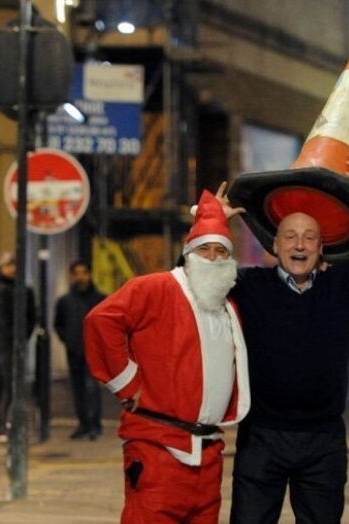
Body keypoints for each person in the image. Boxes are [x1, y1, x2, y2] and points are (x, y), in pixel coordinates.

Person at [222, 162, 349, 523]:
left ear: (321, 246)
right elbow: (190, 276)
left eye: (309, 237)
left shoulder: (343, 285)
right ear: (275, 244)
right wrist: (212, 225)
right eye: (290, 236)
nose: (299, 244)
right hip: (262, 438)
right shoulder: (250, 285)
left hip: (323, 439)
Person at [83, 190, 250, 523]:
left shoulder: (228, 306)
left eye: (221, 251)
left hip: (208, 453)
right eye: (204, 249)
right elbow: (101, 321)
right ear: (188, 254)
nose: (213, 258)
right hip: (157, 448)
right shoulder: (155, 288)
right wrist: (126, 382)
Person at [54, 260, 107, 441]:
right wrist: (67, 340)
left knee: (92, 387)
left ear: (89, 274)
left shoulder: (99, 298)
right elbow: (58, 324)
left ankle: (95, 424)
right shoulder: (65, 301)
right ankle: (83, 424)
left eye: (83, 272)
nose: (80, 277)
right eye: (76, 273)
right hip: (74, 350)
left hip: (93, 351)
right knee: (77, 389)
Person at [0, 251, 36, 440]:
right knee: (7, 384)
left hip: (1, 343)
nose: (13, 269)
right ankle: (2, 424)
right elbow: (4, 321)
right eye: (9, 265)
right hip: (4, 343)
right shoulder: (2, 290)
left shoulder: (12, 288)